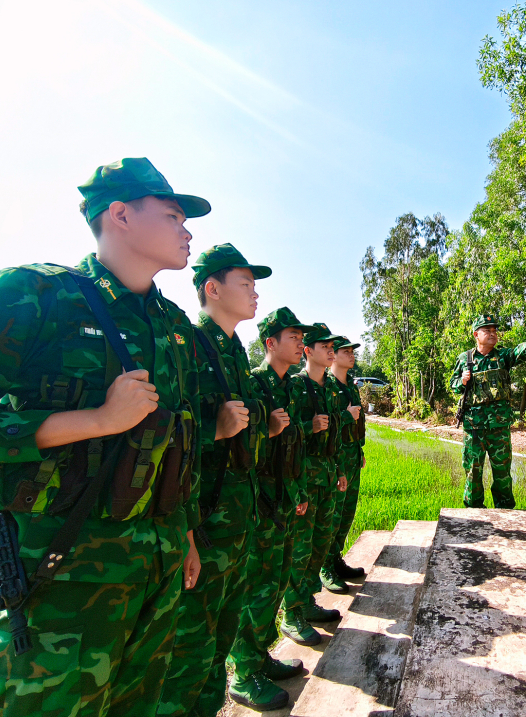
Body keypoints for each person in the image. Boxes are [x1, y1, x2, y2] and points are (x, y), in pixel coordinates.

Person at [0, 157, 207, 716]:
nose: (187, 232)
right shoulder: (34, 295)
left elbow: (178, 442)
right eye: (173, 216)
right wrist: (95, 421)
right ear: (120, 214)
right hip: (61, 591)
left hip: (157, 575)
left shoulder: (173, 325)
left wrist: (187, 534)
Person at [157, 243, 277, 716]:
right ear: (213, 288)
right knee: (190, 645)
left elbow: (252, 416)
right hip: (203, 521)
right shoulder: (187, 345)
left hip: (236, 517)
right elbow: (167, 431)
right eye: (245, 284)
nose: (255, 293)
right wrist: (213, 427)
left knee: (221, 633)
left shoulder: (233, 351)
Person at [228, 307, 313, 711]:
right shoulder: (253, 384)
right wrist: (269, 428)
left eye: (301, 338)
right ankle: (244, 675)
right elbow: (240, 447)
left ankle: (260, 656)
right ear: (270, 343)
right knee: (257, 587)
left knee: (276, 581)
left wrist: (298, 491)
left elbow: (294, 445)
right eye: (293, 337)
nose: (300, 344)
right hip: (260, 502)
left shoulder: (292, 388)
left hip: (285, 497)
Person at [279, 323, 357, 645]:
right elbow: (283, 434)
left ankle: (308, 601)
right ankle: (291, 614)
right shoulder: (295, 387)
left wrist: (339, 469)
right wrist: (307, 426)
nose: (330, 350)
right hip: (304, 477)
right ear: (308, 352)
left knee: (320, 543)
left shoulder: (330, 389)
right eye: (324, 346)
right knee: (300, 547)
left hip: (326, 474)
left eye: (331, 347)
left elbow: (335, 435)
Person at [449, 314, 526, 509]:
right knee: (472, 471)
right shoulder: (465, 359)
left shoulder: (502, 356)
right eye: (487, 330)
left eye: (494, 330)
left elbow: (520, 352)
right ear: (476, 334)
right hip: (474, 428)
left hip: (499, 427)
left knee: (502, 473)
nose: (492, 333)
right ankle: (473, 512)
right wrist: (463, 381)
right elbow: (454, 385)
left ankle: (505, 512)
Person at [319, 337, 367, 594]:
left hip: (352, 454)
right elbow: (326, 423)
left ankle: (336, 558)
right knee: (333, 514)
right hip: (336, 458)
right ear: (333, 356)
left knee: (347, 512)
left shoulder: (351, 386)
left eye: (352, 351)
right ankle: (325, 566)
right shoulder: (327, 387)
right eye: (345, 351)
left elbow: (357, 423)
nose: (351, 355)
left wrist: (359, 450)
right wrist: (346, 417)